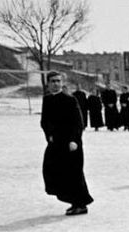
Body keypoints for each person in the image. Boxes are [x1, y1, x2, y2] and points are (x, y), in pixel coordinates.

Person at [40, 72, 93, 216]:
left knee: (73, 174)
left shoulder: (70, 100)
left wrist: (74, 140)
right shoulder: (47, 100)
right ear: (48, 84)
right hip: (55, 143)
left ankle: (81, 204)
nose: (55, 84)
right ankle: (72, 201)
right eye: (52, 81)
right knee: (53, 171)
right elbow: (44, 121)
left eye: (58, 81)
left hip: (71, 144)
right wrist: (49, 135)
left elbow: (78, 122)